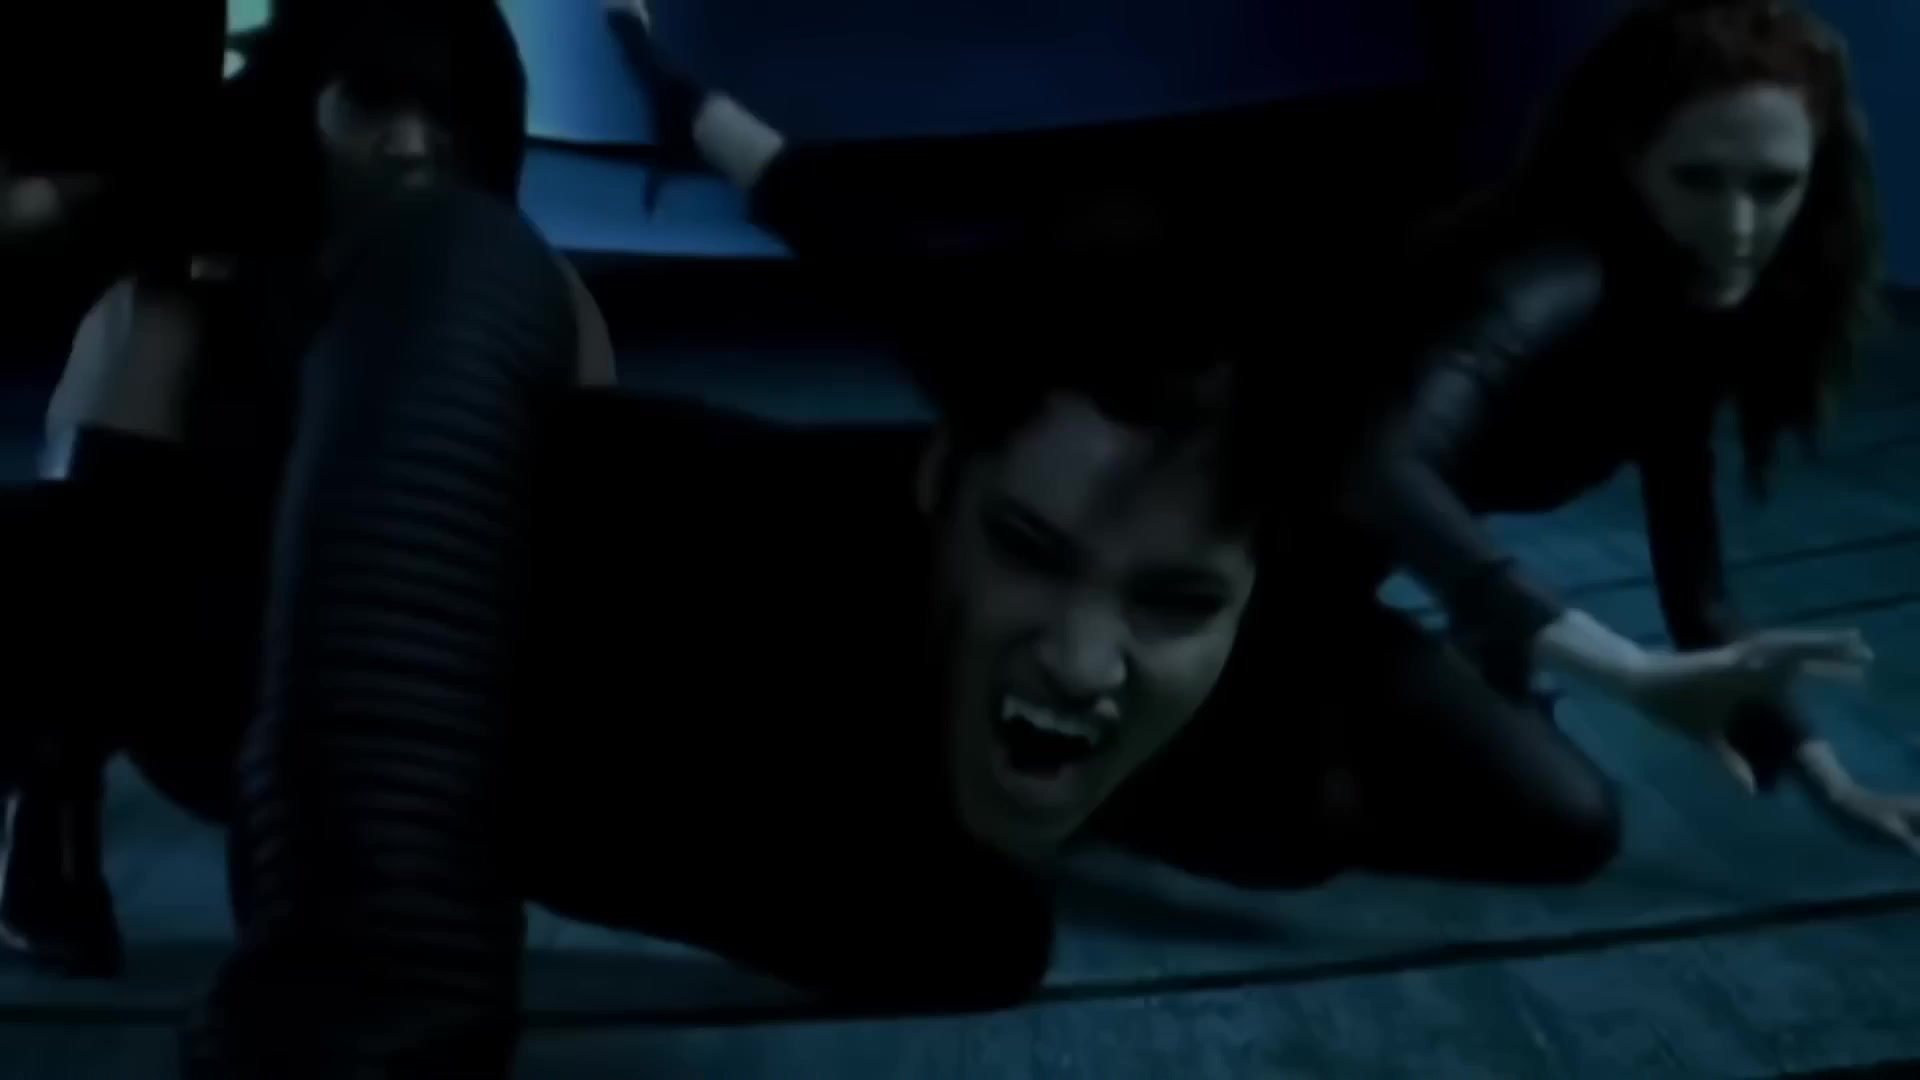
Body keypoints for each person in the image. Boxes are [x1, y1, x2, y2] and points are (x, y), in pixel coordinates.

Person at [0, 0, 615, 979]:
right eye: (373, 106)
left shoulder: (540, 304)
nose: (411, 145)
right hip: (211, 667)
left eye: (443, 115)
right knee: (144, 323)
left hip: (436, 699)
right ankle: (52, 787)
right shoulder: (199, 295)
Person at [1332, 0, 1914, 852]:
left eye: (1773, 186)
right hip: (1231, 551)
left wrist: (1831, 783)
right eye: (1698, 180)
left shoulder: (1678, 298)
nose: (1739, 229)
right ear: (1628, 160)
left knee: (1556, 820)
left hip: (1350, 565)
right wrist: (1625, 668)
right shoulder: (1550, 274)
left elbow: (1700, 596)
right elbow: (1375, 463)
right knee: (1339, 815)